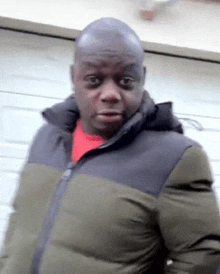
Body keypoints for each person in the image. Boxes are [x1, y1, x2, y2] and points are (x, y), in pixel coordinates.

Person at [0, 17, 220, 274]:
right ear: (74, 77)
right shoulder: (48, 138)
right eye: (94, 79)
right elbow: (19, 224)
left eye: (125, 80)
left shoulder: (175, 159)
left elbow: (204, 255)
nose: (110, 94)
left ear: (142, 79)